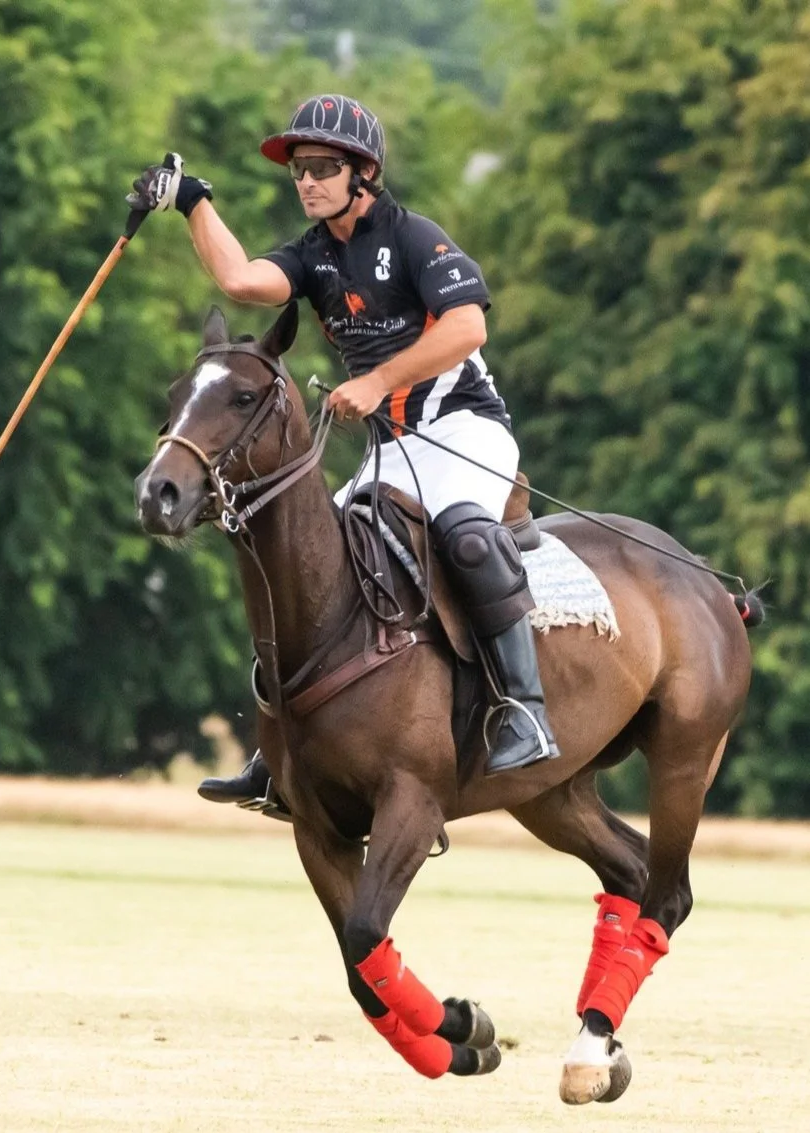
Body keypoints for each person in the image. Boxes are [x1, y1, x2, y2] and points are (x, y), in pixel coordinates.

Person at [128, 94, 560, 803]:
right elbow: (241, 281)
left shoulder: (414, 237)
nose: (307, 181)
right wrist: (193, 202)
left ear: (364, 173)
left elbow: (467, 329)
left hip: (464, 430)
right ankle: (278, 748)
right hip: (394, 447)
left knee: (466, 538)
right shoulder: (313, 255)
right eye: (298, 169)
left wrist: (380, 381)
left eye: (323, 167)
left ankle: (524, 710)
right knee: (308, 563)